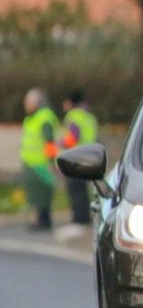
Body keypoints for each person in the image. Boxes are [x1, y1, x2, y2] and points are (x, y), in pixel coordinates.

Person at [20, 88, 60, 231]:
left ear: (37, 102)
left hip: (41, 163)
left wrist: (52, 161)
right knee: (36, 194)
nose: (25, 103)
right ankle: (41, 218)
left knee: (43, 193)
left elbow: (49, 141)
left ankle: (44, 220)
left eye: (28, 101)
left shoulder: (44, 117)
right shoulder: (32, 118)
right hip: (32, 162)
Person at [60, 89, 98, 226]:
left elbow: (73, 136)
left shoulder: (74, 115)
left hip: (75, 157)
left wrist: (61, 143)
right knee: (82, 188)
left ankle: (78, 218)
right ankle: (84, 216)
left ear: (70, 103)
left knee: (74, 188)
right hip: (87, 156)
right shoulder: (89, 116)